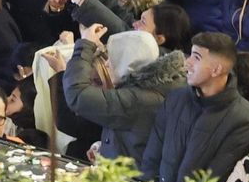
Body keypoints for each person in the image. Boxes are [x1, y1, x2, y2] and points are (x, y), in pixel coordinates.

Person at [140, 31, 249, 182]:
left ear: (216, 70)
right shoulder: (176, 98)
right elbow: (151, 158)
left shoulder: (244, 120)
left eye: (196, 57)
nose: (187, 62)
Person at [61, 24, 186, 164]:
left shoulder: (140, 99)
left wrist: (84, 45)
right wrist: (104, 147)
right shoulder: (152, 89)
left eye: (113, 59)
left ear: (128, 62)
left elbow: (77, 95)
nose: (107, 65)